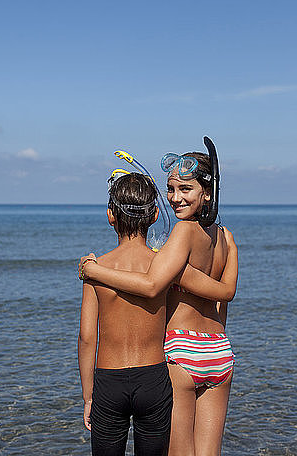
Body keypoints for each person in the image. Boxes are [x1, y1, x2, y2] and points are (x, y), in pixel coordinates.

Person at [79, 152, 238, 456]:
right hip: (219, 349)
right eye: (171, 189)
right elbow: (225, 296)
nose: (175, 198)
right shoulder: (226, 237)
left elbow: (152, 285)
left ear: (207, 193)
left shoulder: (183, 232)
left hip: (184, 350)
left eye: (185, 189)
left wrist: (96, 271)